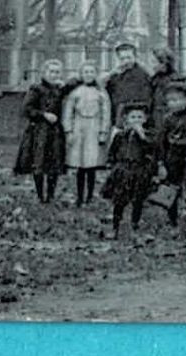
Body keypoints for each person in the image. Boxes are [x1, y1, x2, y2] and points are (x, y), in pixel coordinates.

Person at [14, 58, 68, 204]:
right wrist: (44, 115)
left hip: (55, 131)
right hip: (39, 131)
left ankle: (50, 195)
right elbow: (26, 109)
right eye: (51, 71)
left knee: (54, 163)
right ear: (44, 73)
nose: (54, 75)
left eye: (57, 72)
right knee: (38, 162)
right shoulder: (36, 89)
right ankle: (40, 195)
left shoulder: (60, 90)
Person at [62, 61, 112, 206]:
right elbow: (68, 113)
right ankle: (79, 196)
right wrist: (69, 131)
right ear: (81, 75)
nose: (89, 75)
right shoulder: (76, 92)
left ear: (96, 74)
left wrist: (103, 131)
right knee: (80, 165)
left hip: (94, 129)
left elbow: (106, 113)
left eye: (91, 72)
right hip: (79, 128)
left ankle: (90, 195)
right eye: (86, 72)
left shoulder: (101, 93)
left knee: (91, 164)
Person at [156, 82, 186, 229]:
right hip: (172, 157)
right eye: (170, 101)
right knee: (172, 190)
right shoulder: (167, 119)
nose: (173, 103)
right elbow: (161, 142)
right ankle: (173, 222)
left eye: (177, 100)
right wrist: (161, 163)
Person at [105, 104, 158, 238]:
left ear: (145, 119)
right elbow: (113, 152)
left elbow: (152, 151)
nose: (136, 120)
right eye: (133, 117)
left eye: (140, 117)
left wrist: (142, 135)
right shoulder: (121, 135)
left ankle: (134, 225)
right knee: (119, 200)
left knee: (137, 200)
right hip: (123, 170)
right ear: (126, 119)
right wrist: (112, 165)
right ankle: (115, 226)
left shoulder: (148, 135)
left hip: (139, 170)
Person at [106, 42, 154, 124]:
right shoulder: (114, 76)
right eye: (122, 58)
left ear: (135, 57)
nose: (126, 61)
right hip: (120, 117)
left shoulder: (144, 74)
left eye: (129, 58)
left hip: (140, 117)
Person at [148, 47, 182, 130]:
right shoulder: (154, 79)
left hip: (165, 121)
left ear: (163, 63)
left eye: (154, 62)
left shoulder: (173, 81)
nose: (151, 65)